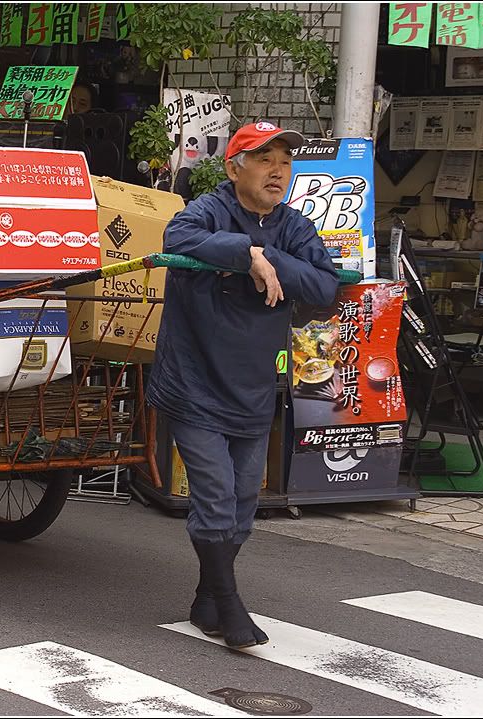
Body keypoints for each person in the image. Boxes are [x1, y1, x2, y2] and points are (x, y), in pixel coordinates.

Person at [145, 122, 339, 649]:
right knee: (215, 499)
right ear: (234, 169)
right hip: (194, 382)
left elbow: (325, 285)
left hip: (253, 387)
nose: (278, 170)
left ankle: (206, 599)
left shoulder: (293, 227)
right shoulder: (206, 210)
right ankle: (228, 607)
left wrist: (267, 257)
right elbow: (177, 239)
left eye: (285, 161)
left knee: (242, 511)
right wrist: (244, 253)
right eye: (264, 159)